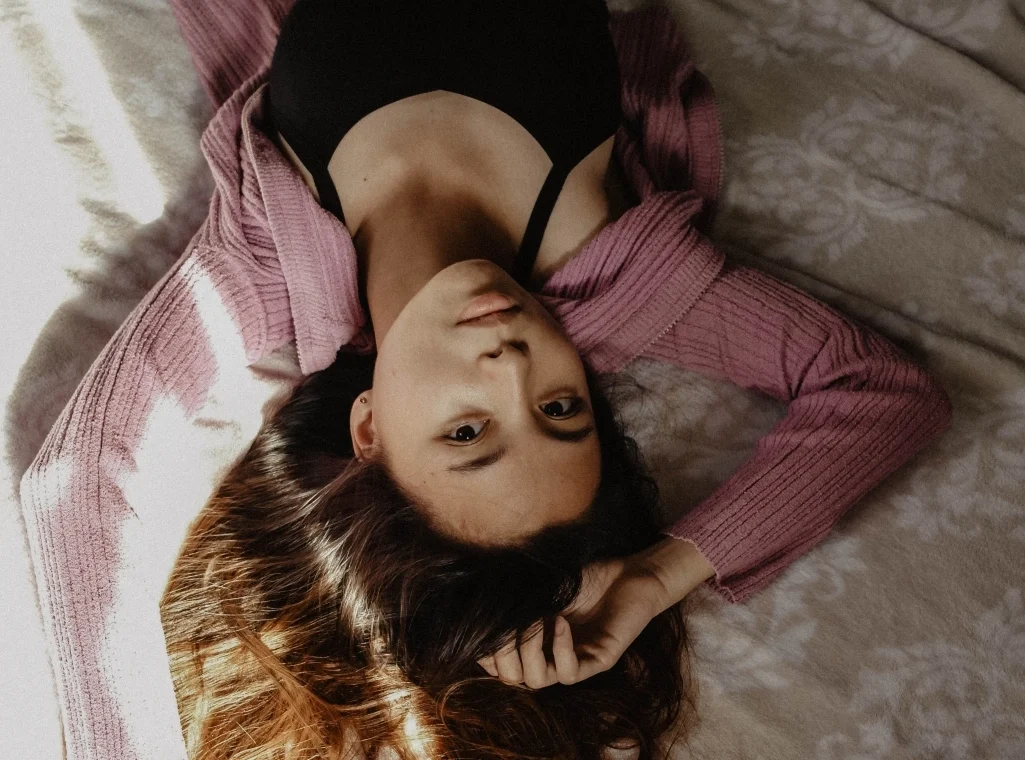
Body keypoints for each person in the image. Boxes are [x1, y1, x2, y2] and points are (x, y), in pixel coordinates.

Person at [19, 1, 953, 759]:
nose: (510, 367)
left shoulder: (259, 268)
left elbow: (77, 482)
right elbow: (880, 392)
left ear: (369, 428)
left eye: (466, 433)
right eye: (560, 408)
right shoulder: (618, 276)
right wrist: (656, 576)